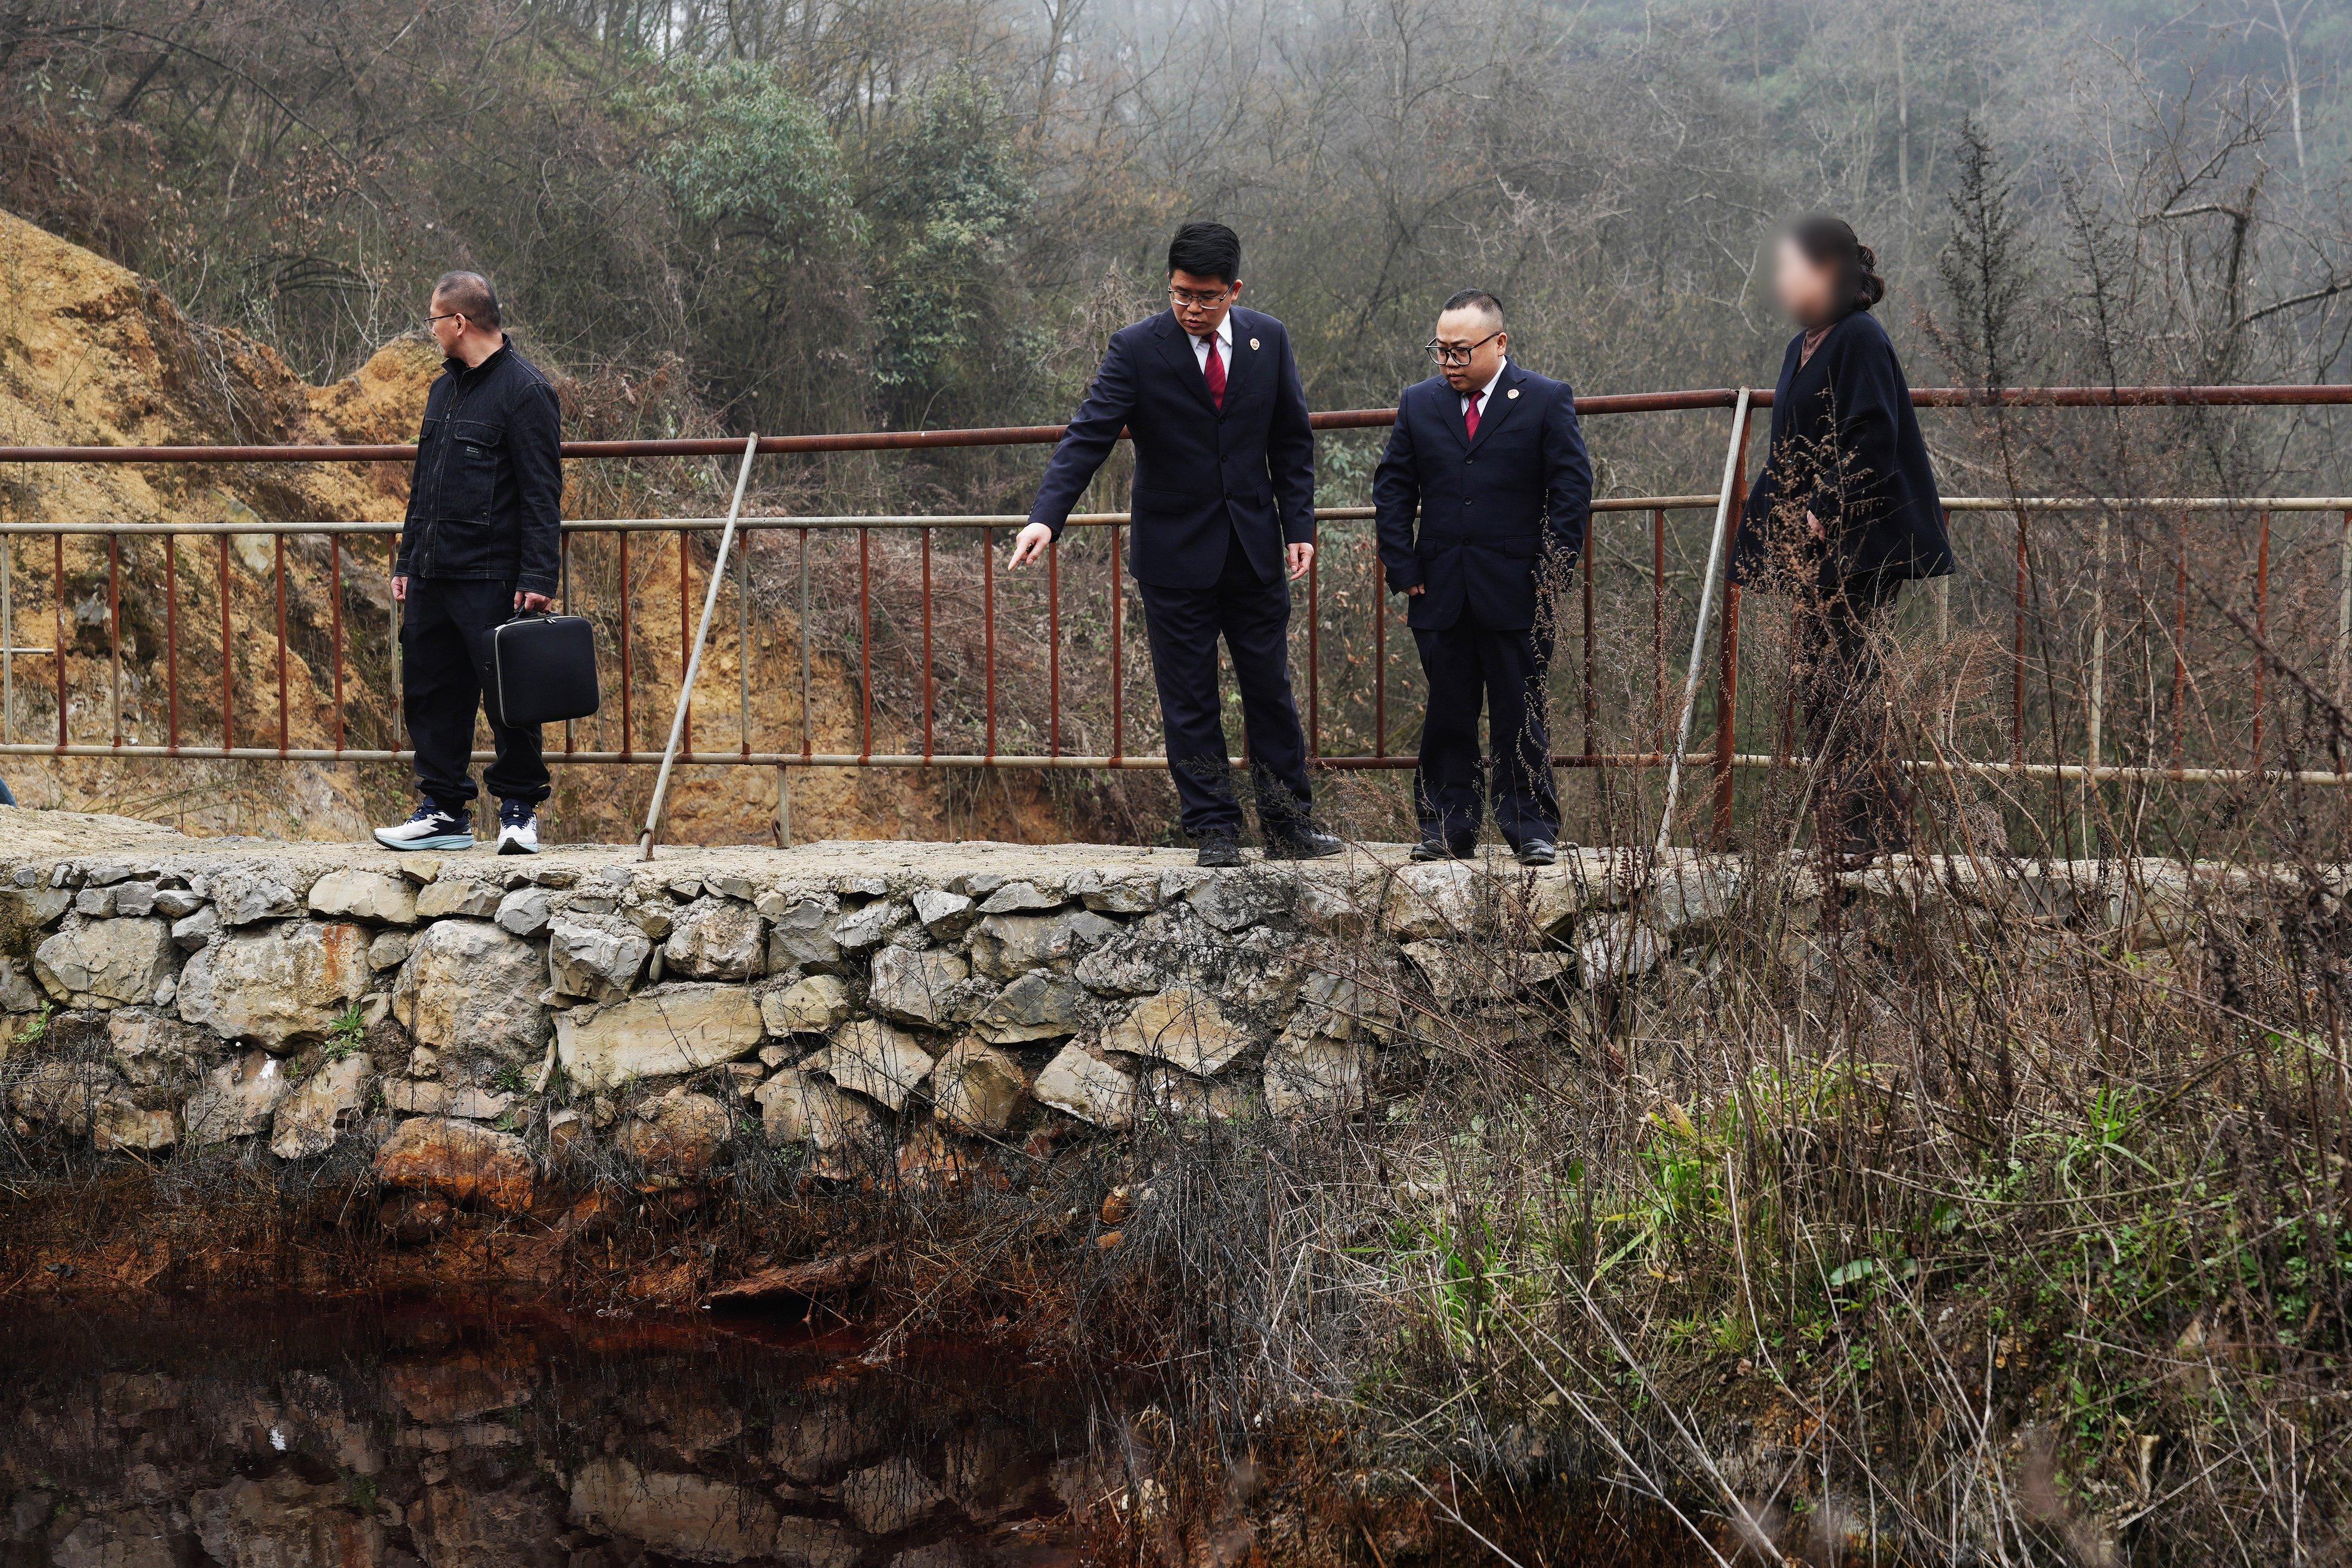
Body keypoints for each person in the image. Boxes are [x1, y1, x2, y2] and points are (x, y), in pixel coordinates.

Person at [1014, 222, 1339, 867]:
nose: (1192, 308)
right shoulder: (1137, 347)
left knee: (1269, 691)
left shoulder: (1268, 338)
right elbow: (1088, 435)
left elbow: (1290, 441)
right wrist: (1046, 517)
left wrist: (1298, 527)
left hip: (1253, 548)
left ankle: (1288, 826)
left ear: (1234, 290)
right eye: (1181, 294)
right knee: (1189, 698)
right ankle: (1214, 829)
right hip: (1173, 553)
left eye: (1207, 297)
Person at [1732, 216, 1954, 864]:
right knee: (1822, 683)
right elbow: (1791, 446)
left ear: (1827, 270)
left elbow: (1873, 438)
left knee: (1847, 680)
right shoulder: (1801, 345)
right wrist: (1769, 523)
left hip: (1860, 543)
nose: (1780, 282)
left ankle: (1867, 831)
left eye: (1790, 268)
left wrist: (1824, 507)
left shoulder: (1859, 338)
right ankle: (1856, 826)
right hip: (1816, 550)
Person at [1373, 290, 1591, 866]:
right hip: (1438, 586)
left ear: (1499, 343)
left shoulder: (1544, 398)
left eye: (1460, 351)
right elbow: (1392, 488)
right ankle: (1447, 828)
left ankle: (1531, 828)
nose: (1448, 363)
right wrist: (1402, 565)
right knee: (1448, 711)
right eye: (1440, 350)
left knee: (1520, 709)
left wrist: (1550, 574)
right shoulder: (1419, 402)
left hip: (1519, 588)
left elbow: (1571, 490)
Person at [374, 271, 562, 856]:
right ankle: (443, 812)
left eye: (434, 320)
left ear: (459, 322)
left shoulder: (526, 391)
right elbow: (423, 486)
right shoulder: (442, 392)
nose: (429, 330)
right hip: (433, 572)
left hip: (493, 576)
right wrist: (407, 560)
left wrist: (538, 576)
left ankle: (519, 813)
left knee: (511, 698)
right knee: (430, 694)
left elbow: (541, 492)